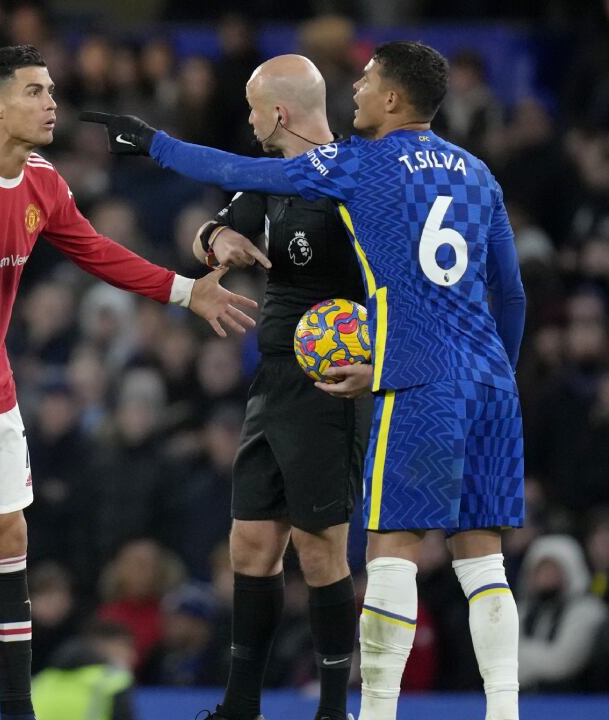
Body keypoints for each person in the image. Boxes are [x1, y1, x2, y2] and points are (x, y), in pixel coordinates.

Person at [84, 40, 526, 720]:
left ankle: (364, 711)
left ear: (393, 99)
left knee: (387, 557)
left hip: (397, 380)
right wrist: (502, 372)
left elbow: (232, 166)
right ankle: (504, 711)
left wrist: (152, 142)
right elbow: (513, 295)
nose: (357, 90)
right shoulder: (476, 173)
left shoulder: (356, 165)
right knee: (481, 561)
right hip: (480, 376)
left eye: (369, 80)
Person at [0, 45, 255, 720]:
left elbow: (96, 251)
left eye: (53, 90)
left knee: (7, 541)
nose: (53, 102)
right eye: (36, 91)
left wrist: (184, 292)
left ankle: (16, 709)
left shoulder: (44, 184)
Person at [188, 55, 368, 720]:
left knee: (322, 548)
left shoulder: (354, 177)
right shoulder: (266, 177)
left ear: (281, 113)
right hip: (271, 378)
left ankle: (330, 710)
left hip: (331, 381)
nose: (249, 118)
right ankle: (241, 705)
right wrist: (220, 238)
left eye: (254, 106)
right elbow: (207, 230)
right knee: (252, 543)